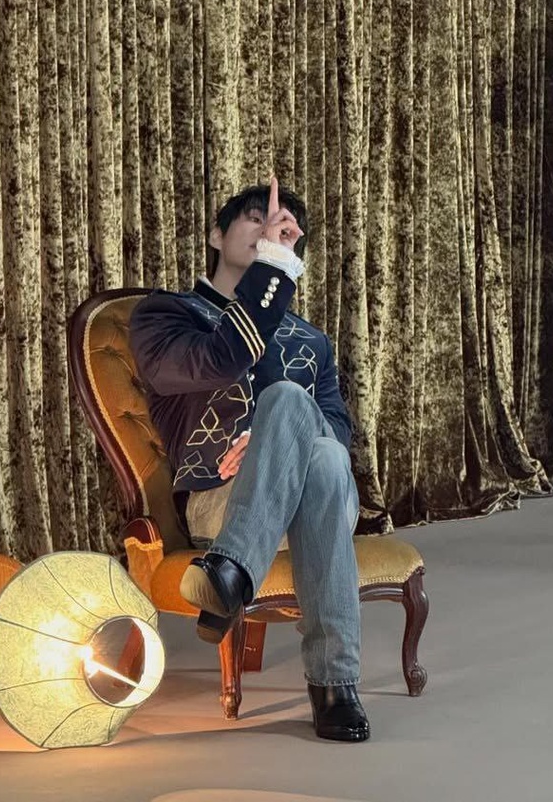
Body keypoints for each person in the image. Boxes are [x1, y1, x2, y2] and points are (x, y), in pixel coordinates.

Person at [129, 177, 368, 741]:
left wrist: (280, 437)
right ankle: (334, 686)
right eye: (256, 219)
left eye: (280, 229)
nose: (267, 232)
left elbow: (338, 429)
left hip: (307, 505)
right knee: (310, 442)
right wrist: (274, 269)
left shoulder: (312, 340)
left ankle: (230, 574)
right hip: (221, 499)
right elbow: (221, 358)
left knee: (312, 435)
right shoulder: (166, 314)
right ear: (217, 235)